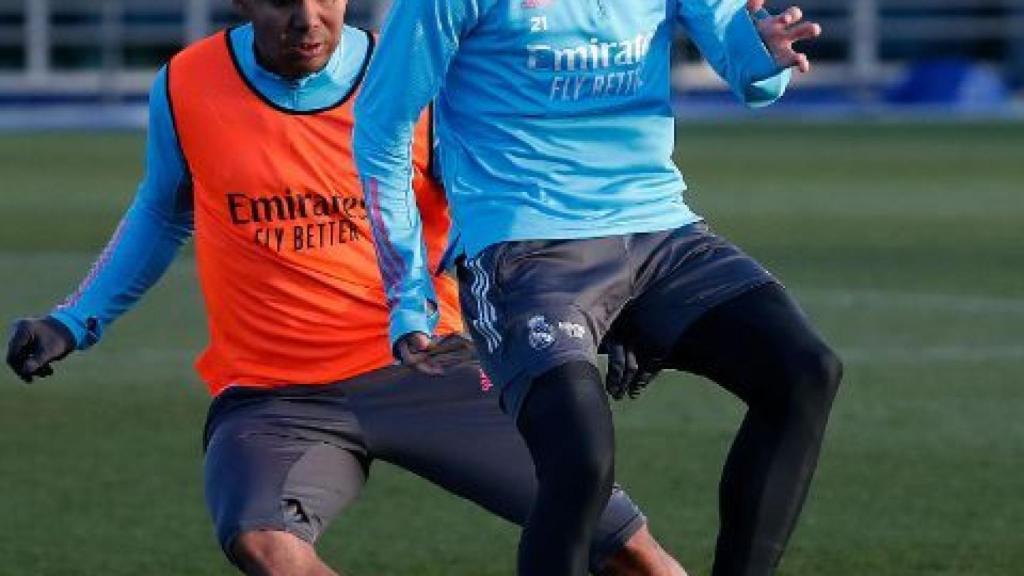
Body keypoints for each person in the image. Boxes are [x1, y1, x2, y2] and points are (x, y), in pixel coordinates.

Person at [4, 1, 688, 575]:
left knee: (629, 552)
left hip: (434, 365)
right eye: (281, 0)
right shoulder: (187, 84)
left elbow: (522, 203)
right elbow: (161, 211)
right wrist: (75, 319)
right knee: (264, 545)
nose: (307, 18)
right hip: (274, 396)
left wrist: (620, 311)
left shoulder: (416, 75)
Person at [353, 0, 843, 575]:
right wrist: (409, 297)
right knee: (581, 458)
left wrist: (767, 54)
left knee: (804, 370)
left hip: (660, 232)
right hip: (523, 248)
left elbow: (754, 80)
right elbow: (382, 127)